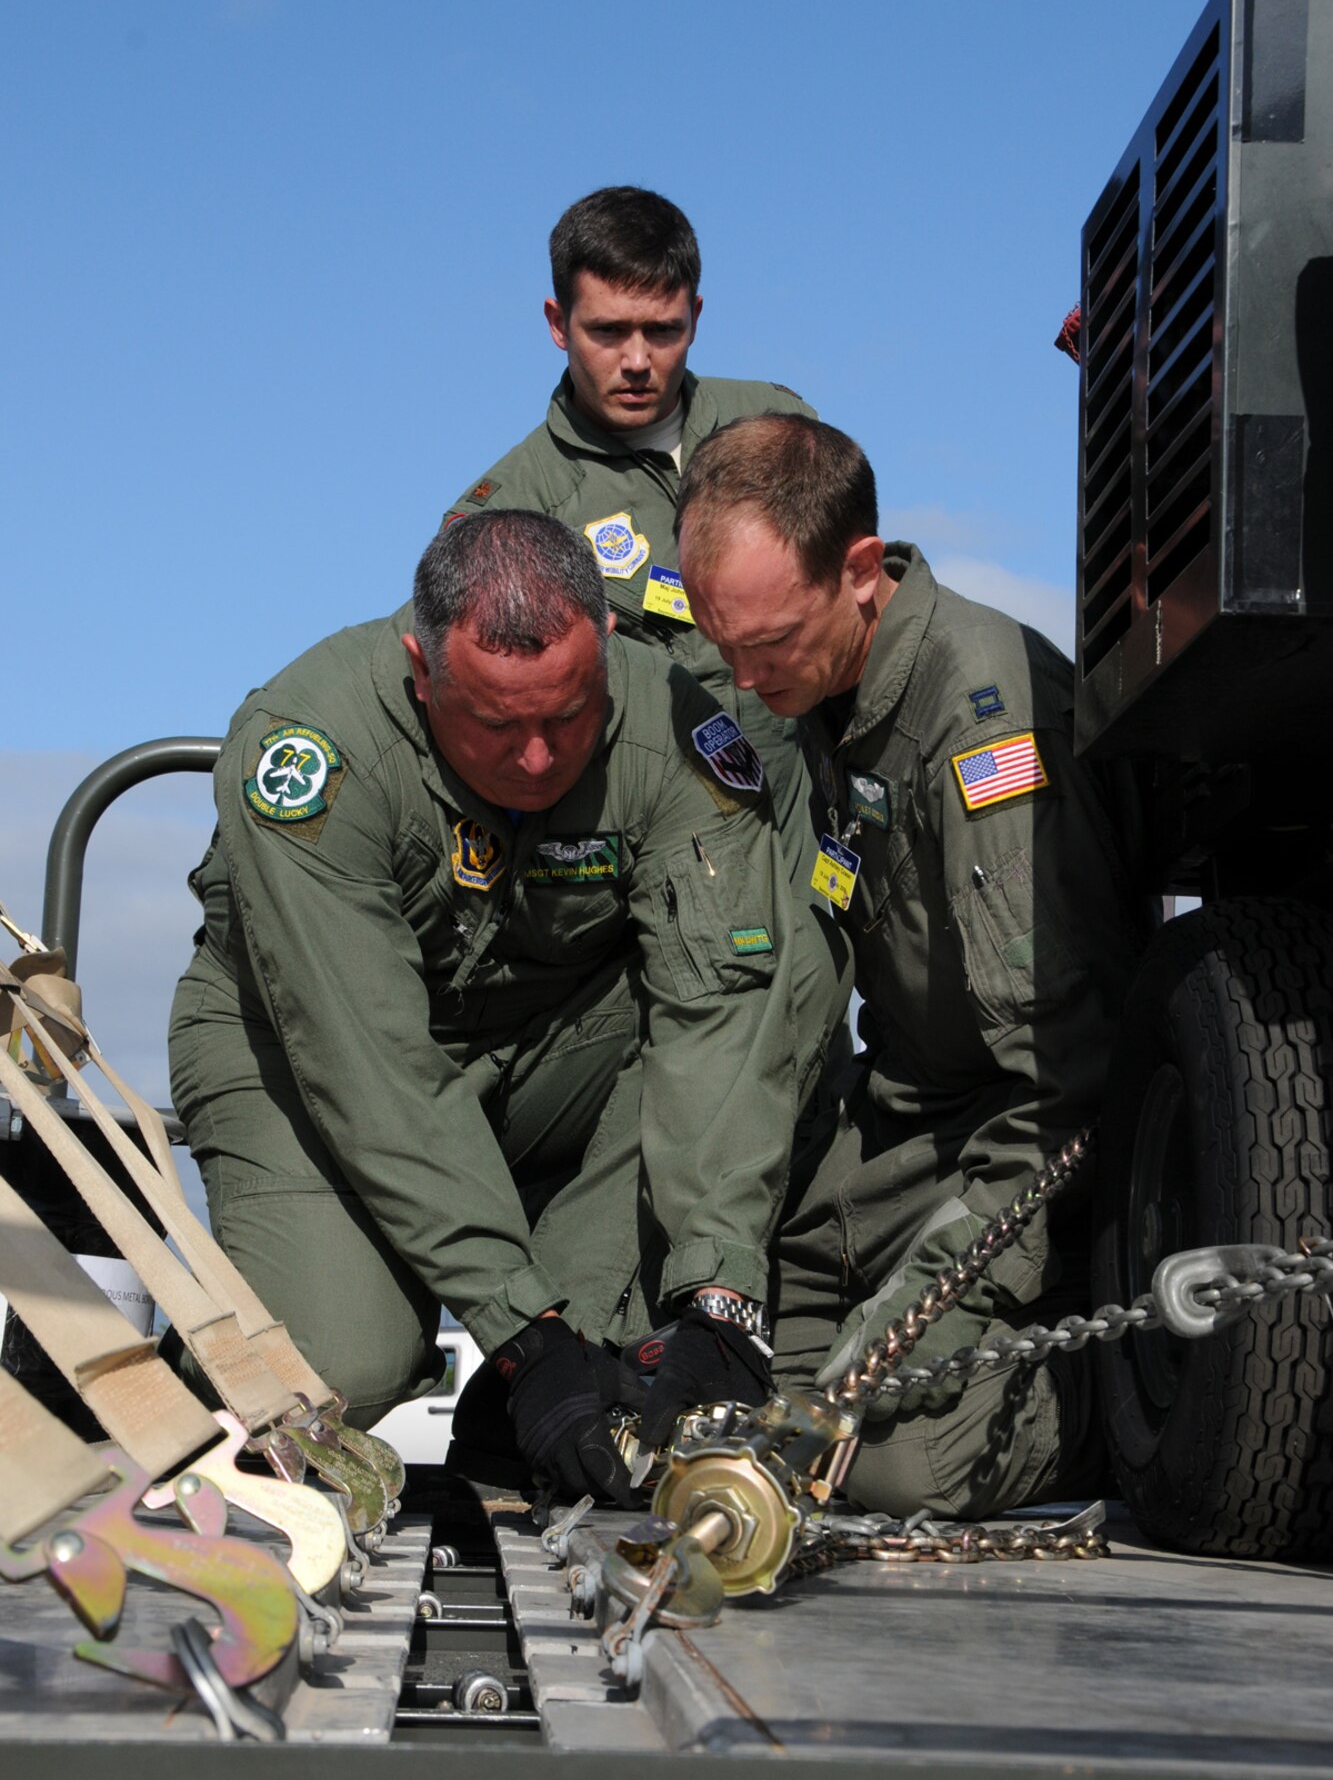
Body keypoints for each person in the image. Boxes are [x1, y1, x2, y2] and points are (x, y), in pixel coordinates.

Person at [169, 509, 803, 1504]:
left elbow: (715, 1015)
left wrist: (717, 1294)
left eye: (570, 714)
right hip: (305, 1051)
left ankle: (528, 1404)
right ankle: (200, 1374)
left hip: (552, 1050)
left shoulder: (675, 730)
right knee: (336, 1373)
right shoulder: (308, 751)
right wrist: (522, 1330)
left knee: (774, 977)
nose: (542, 760)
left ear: (602, 650)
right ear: (423, 673)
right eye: (499, 725)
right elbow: (371, 1062)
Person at [676, 414, 1154, 1518]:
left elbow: (1061, 1089)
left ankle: (1123, 1401)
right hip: (904, 1129)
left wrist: (904, 1320)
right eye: (726, 646)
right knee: (747, 1371)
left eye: (771, 645)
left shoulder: (976, 722)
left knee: (883, 1460)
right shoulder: (822, 686)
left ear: (857, 571)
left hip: (1030, 1147)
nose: (746, 681)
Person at [442, 188, 852, 1113]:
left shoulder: (778, 428)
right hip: (657, 901)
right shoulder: (512, 510)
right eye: (608, 331)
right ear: (557, 323)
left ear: (696, 316)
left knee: (816, 1110)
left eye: (662, 331)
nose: (636, 362)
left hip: (810, 872)